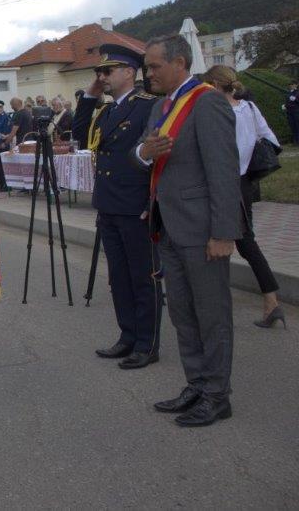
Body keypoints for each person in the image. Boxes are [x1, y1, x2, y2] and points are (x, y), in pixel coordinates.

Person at [136, 34, 242, 428]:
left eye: (154, 66)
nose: (149, 74)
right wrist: (144, 153)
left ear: (179, 63)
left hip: (202, 231)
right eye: (147, 68)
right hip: (170, 227)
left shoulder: (207, 101)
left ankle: (217, 395)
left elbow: (224, 171)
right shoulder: (162, 106)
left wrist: (224, 233)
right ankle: (196, 384)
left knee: (211, 315)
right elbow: (143, 154)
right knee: (182, 313)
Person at [72, 44, 161, 370]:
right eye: (98, 72)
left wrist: (153, 203)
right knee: (119, 277)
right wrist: (91, 95)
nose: (101, 76)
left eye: (107, 71)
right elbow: (80, 135)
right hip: (109, 203)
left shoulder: (149, 106)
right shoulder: (106, 110)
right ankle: (127, 335)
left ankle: (147, 343)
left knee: (142, 276)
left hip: (136, 205)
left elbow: (155, 157)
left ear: (129, 72)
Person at [202, 66, 285, 329]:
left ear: (215, 84)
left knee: (239, 240)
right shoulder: (249, 108)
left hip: (225, 182)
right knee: (241, 239)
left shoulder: (217, 111)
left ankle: (270, 300)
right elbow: (272, 141)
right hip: (244, 181)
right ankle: (269, 300)